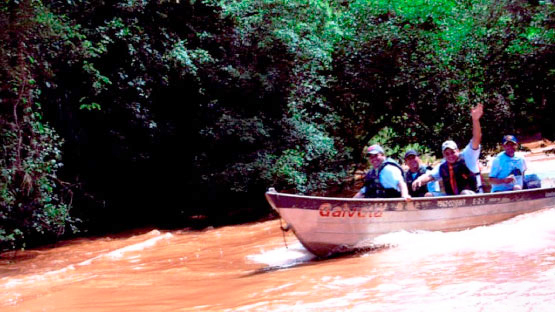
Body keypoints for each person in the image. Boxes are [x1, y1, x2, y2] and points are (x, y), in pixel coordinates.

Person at [412, 103, 483, 195]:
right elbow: (430, 176)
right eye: (447, 153)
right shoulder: (443, 167)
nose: (450, 156)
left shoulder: (468, 156)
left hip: (473, 198)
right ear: (444, 155)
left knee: (464, 193)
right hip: (452, 200)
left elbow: (476, 138)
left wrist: (475, 120)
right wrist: (420, 179)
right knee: (429, 195)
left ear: (457, 150)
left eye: (452, 152)